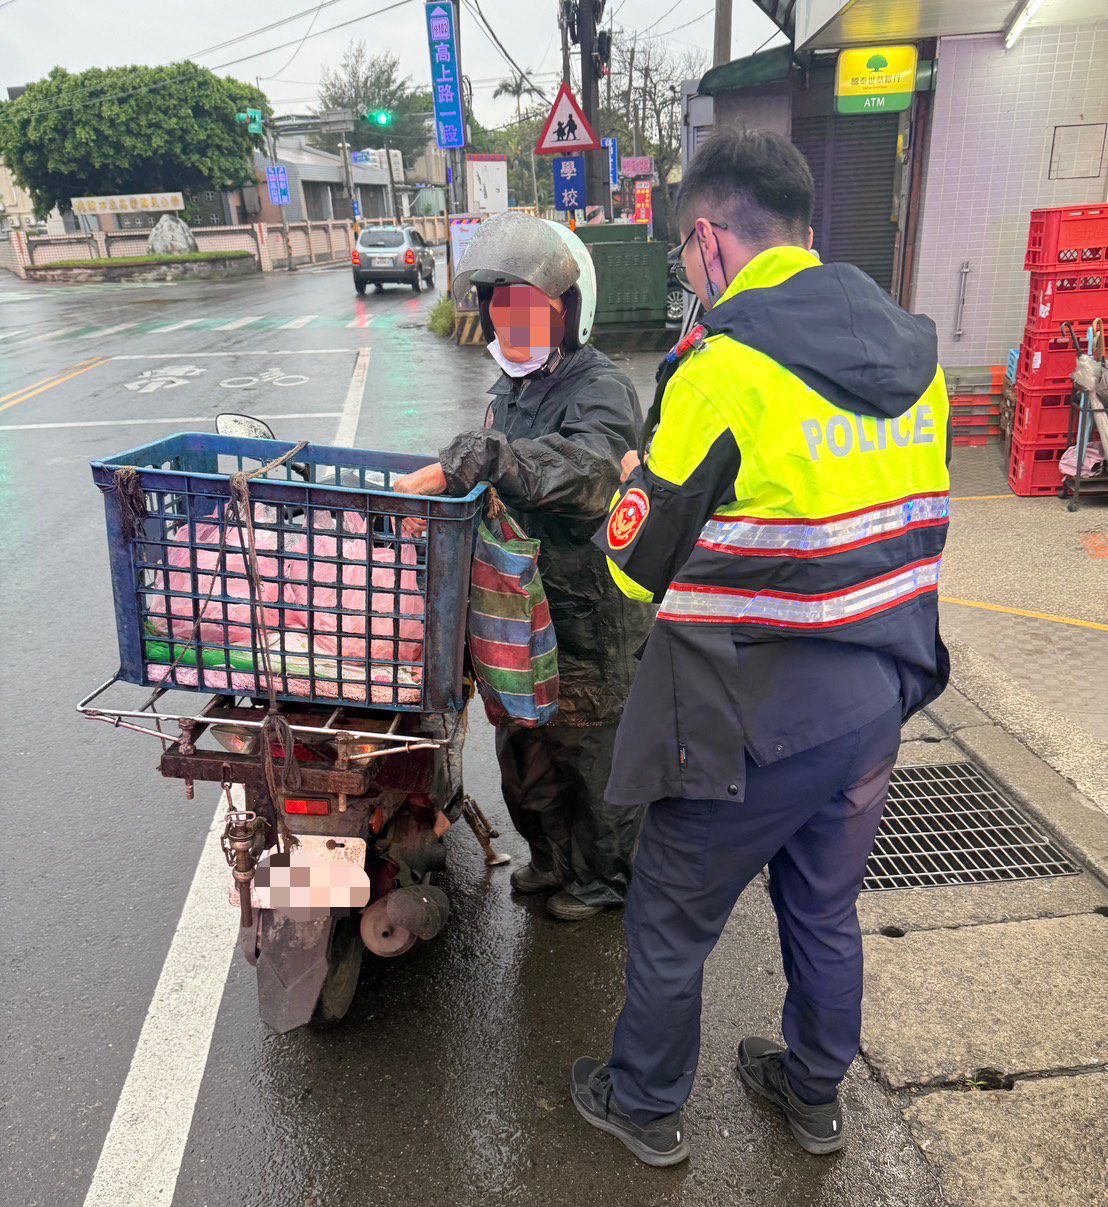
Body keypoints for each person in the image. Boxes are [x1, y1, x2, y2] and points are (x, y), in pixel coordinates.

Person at [569, 129, 951, 1164]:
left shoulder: (720, 371)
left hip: (746, 718)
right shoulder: (919, 357)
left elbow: (630, 567)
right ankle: (815, 1092)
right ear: (804, 233)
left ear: (707, 243)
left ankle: (643, 1104)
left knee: (669, 917)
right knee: (823, 907)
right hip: (876, 697)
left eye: (686, 259)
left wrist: (635, 477)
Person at [393, 212, 654, 922]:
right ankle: (550, 857)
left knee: (587, 757)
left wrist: (501, 460)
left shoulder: (601, 388)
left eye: (530, 308)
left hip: (587, 614)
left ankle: (602, 878)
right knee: (524, 751)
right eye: (501, 306)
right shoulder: (509, 390)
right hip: (518, 609)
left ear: (568, 310)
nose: (514, 322)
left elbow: (591, 469)